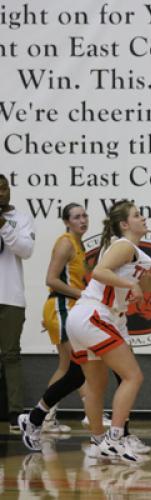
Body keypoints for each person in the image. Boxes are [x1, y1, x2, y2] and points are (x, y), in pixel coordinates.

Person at [65, 200, 151, 463]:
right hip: (95, 314)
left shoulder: (131, 251)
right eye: (137, 214)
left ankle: (99, 441)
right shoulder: (123, 245)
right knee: (133, 377)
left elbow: (146, 285)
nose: (143, 217)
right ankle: (115, 438)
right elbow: (99, 272)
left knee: (96, 386)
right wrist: (128, 285)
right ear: (125, 224)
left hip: (82, 318)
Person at [39, 203, 89, 433]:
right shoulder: (65, 243)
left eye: (85, 215)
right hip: (61, 306)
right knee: (77, 363)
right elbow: (51, 279)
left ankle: (44, 416)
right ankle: (90, 414)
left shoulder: (80, 245)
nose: (83, 220)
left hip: (68, 308)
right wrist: (82, 295)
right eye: (77, 217)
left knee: (69, 364)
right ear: (67, 221)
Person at [0, 174, 35, 432]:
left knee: (10, 354)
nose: (2, 193)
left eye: (5, 188)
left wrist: (2, 223)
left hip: (10, 296)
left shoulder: (21, 218)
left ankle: (15, 412)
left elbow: (25, 250)